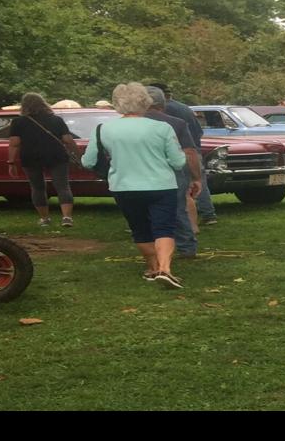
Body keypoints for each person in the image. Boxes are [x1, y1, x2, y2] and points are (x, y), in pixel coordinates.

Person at [84, 82, 187, 288]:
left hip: (123, 187)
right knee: (164, 228)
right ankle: (165, 269)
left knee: (140, 229)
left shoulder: (104, 129)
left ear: (117, 103)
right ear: (146, 102)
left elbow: (88, 161)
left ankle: (152, 267)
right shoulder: (162, 127)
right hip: (161, 185)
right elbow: (178, 162)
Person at [145, 86, 203, 259]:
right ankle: (187, 247)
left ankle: (154, 248)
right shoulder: (176, 123)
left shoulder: (130, 124)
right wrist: (196, 177)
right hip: (173, 171)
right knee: (178, 209)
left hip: (142, 172)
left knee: (146, 211)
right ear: (163, 103)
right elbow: (189, 152)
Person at [6, 92, 79, 228]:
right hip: (56, 155)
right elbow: (67, 140)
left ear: (24, 105)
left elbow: (14, 143)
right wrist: (77, 154)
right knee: (62, 186)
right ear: (43, 103)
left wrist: (11, 161)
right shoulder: (56, 120)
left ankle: (45, 219)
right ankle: (67, 217)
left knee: (37, 187)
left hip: (30, 156)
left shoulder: (18, 122)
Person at [148, 82, 214, 228]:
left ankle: (179, 225)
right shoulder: (184, 107)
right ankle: (208, 214)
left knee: (181, 191)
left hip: (176, 151)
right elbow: (199, 131)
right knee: (198, 184)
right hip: (193, 147)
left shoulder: (164, 111)